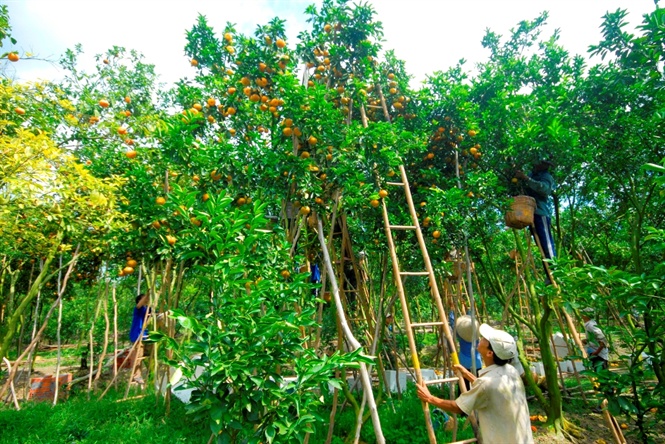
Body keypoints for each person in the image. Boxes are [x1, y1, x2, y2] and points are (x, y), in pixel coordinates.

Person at [417, 324, 534, 444]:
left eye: (484, 339)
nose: (480, 338)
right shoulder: (511, 371)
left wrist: (430, 398)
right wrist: (467, 375)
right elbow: (488, 389)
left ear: (490, 353)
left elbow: (458, 407)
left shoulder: (486, 383)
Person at [515, 157, 556, 283]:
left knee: (546, 244)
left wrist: (526, 179)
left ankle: (555, 272)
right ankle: (549, 273)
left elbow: (544, 189)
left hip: (540, 213)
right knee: (540, 246)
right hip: (530, 213)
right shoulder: (531, 174)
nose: (544, 166)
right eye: (542, 163)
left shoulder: (546, 176)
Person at [450, 312, 482, 390]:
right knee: (477, 386)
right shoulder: (477, 338)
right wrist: (468, 310)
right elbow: (470, 323)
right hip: (477, 364)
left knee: (464, 386)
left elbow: (453, 324)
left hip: (464, 365)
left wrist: (451, 311)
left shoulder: (462, 337)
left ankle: (463, 400)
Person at [129, 293, 151, 384]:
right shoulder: (138, 309)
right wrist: (148, 293)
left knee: (145, 355)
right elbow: (140, 304)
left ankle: (147, 373)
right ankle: (136, 375)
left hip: (145, 335)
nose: (147, 299)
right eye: (144, 298)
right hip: (137, 335)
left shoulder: (147, 309)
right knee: (138, 355)